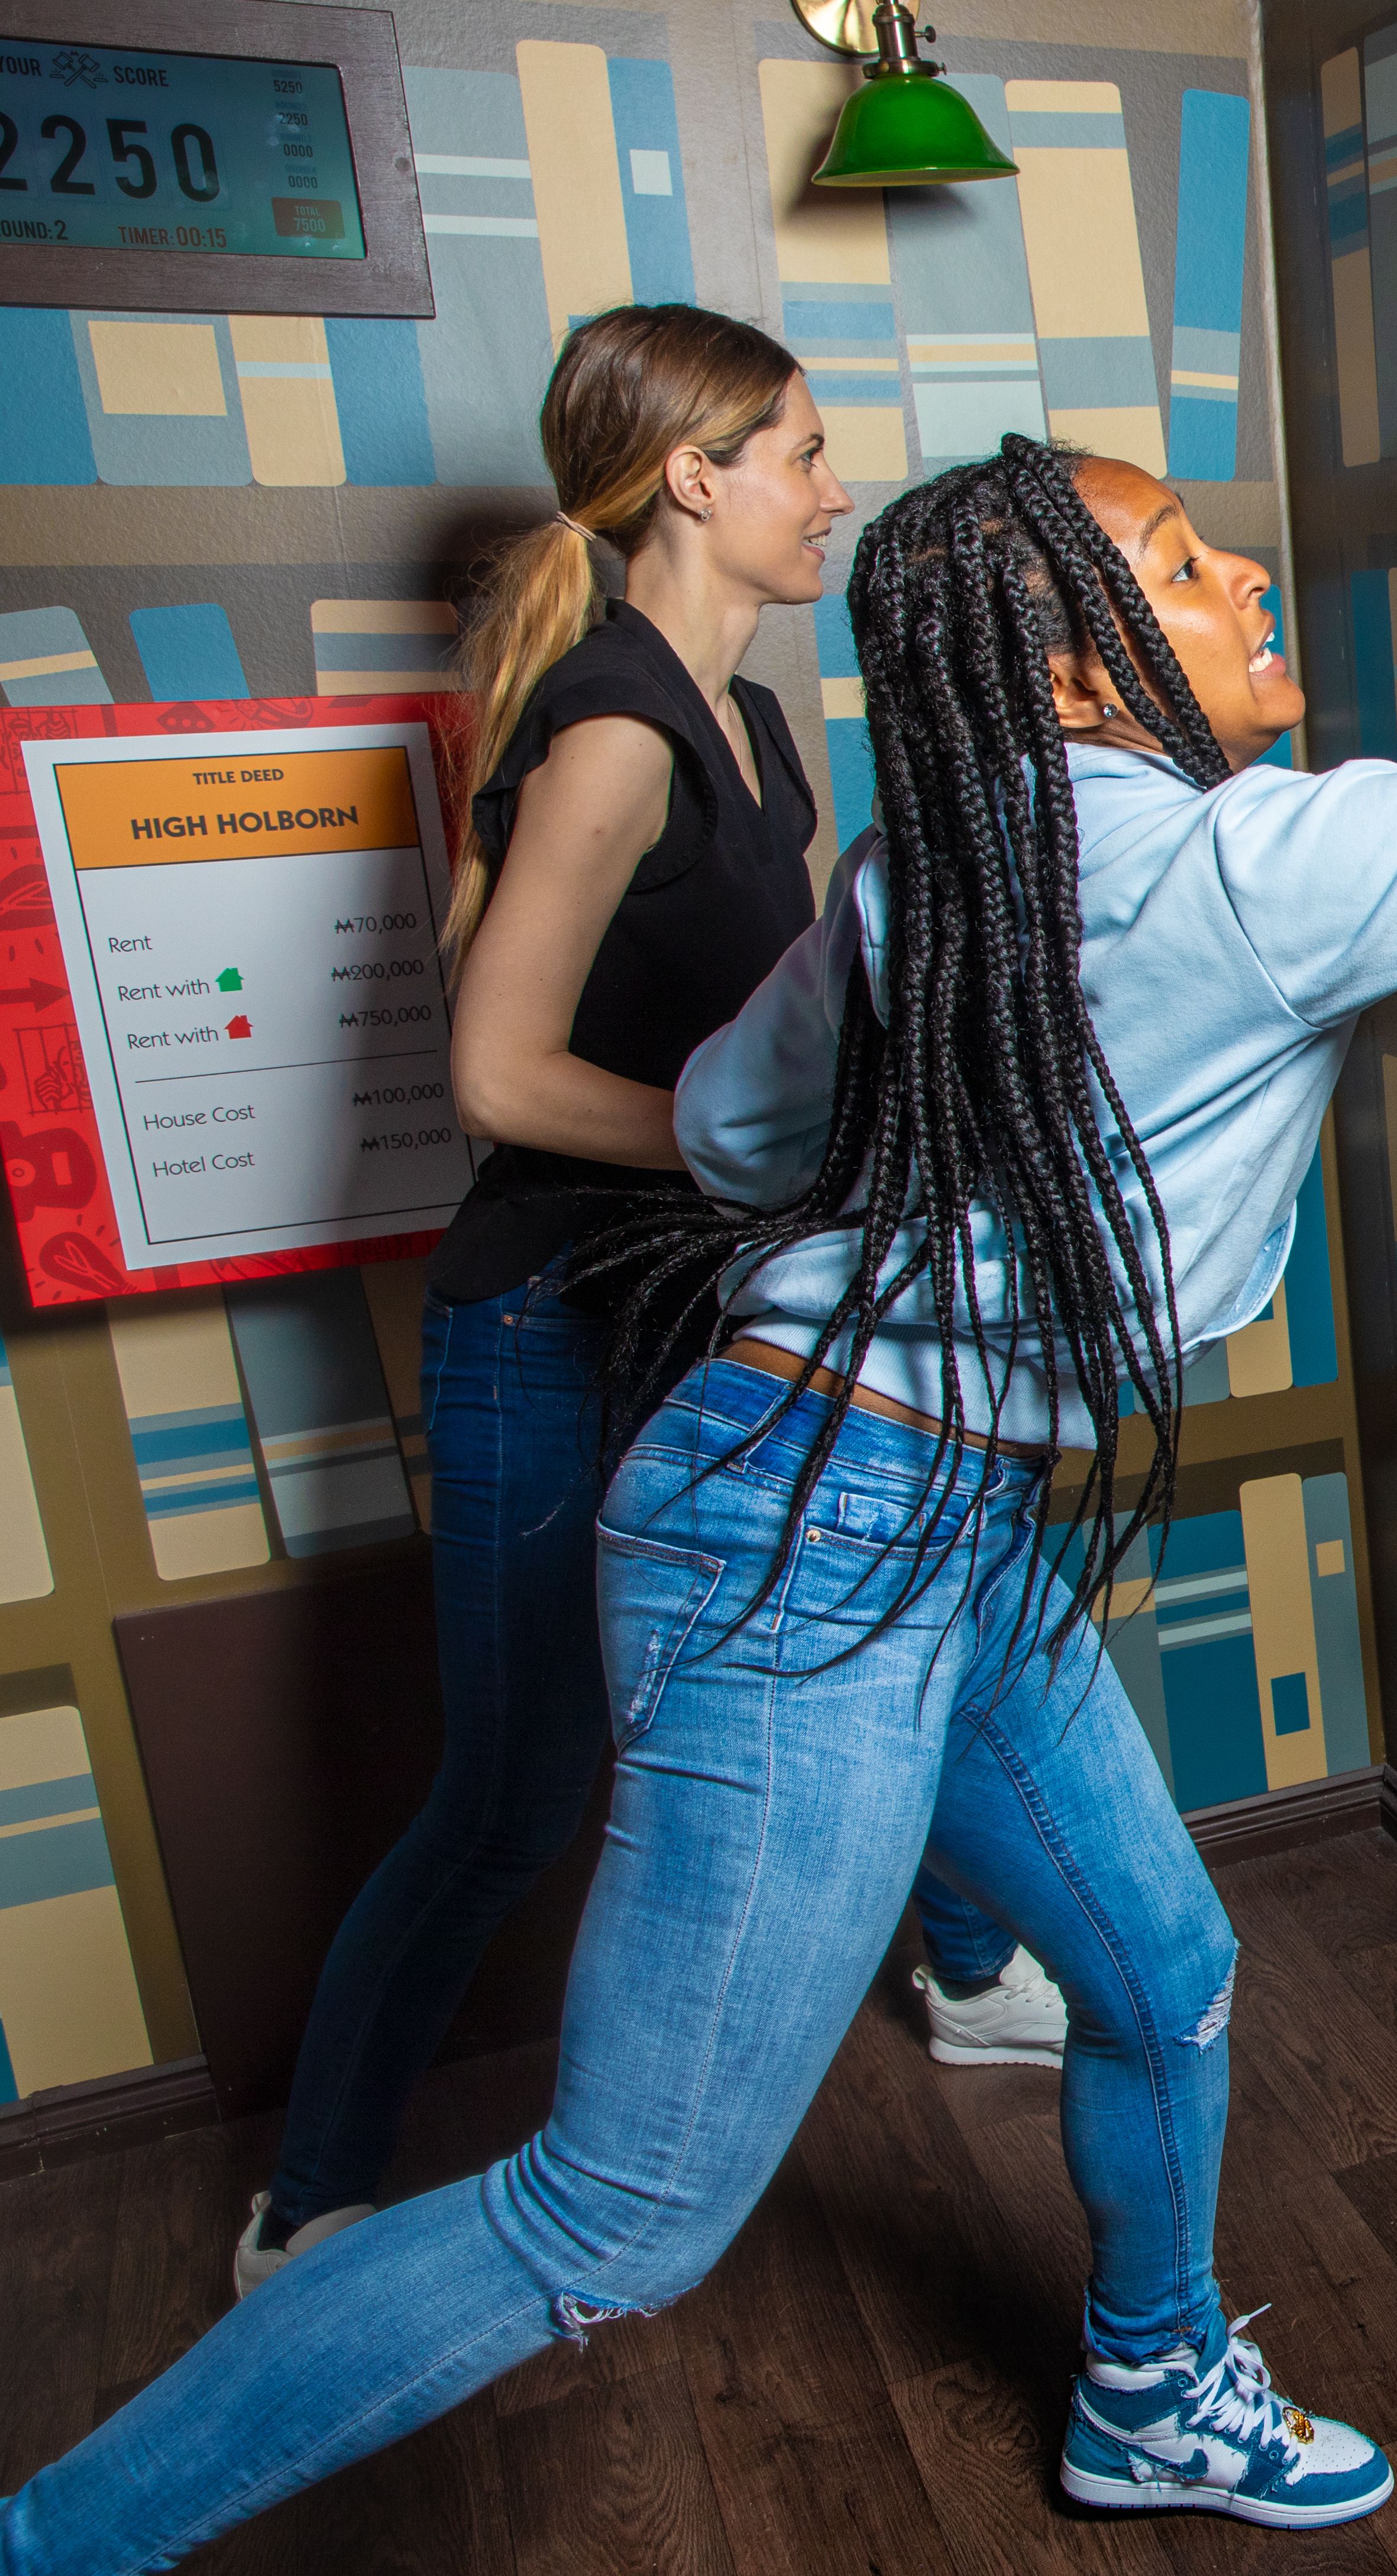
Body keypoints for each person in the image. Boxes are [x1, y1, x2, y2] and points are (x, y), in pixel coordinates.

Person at [1, 230, 1397, 2569]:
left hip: (903, 1516)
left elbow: (738, 1137)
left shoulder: (922, 874)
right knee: (615, 2219)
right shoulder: (1244, 877)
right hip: (821, 1548)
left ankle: (1151, 2386)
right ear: (1080, 668)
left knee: (1165, 1975)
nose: (1251, 577)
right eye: (1186, 567)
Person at [233, 308, 1064, 2305]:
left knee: (876, 1632)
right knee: (514, 1792)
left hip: (711, 1303)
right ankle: (304, 2200)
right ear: (695, 478)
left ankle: (967, 1970)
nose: (834, 491)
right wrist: (772, 1162)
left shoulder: (756, 727)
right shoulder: (612, 723)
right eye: (803, 452)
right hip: (546, 1325)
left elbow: (777, 1037)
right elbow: (498, 1080)